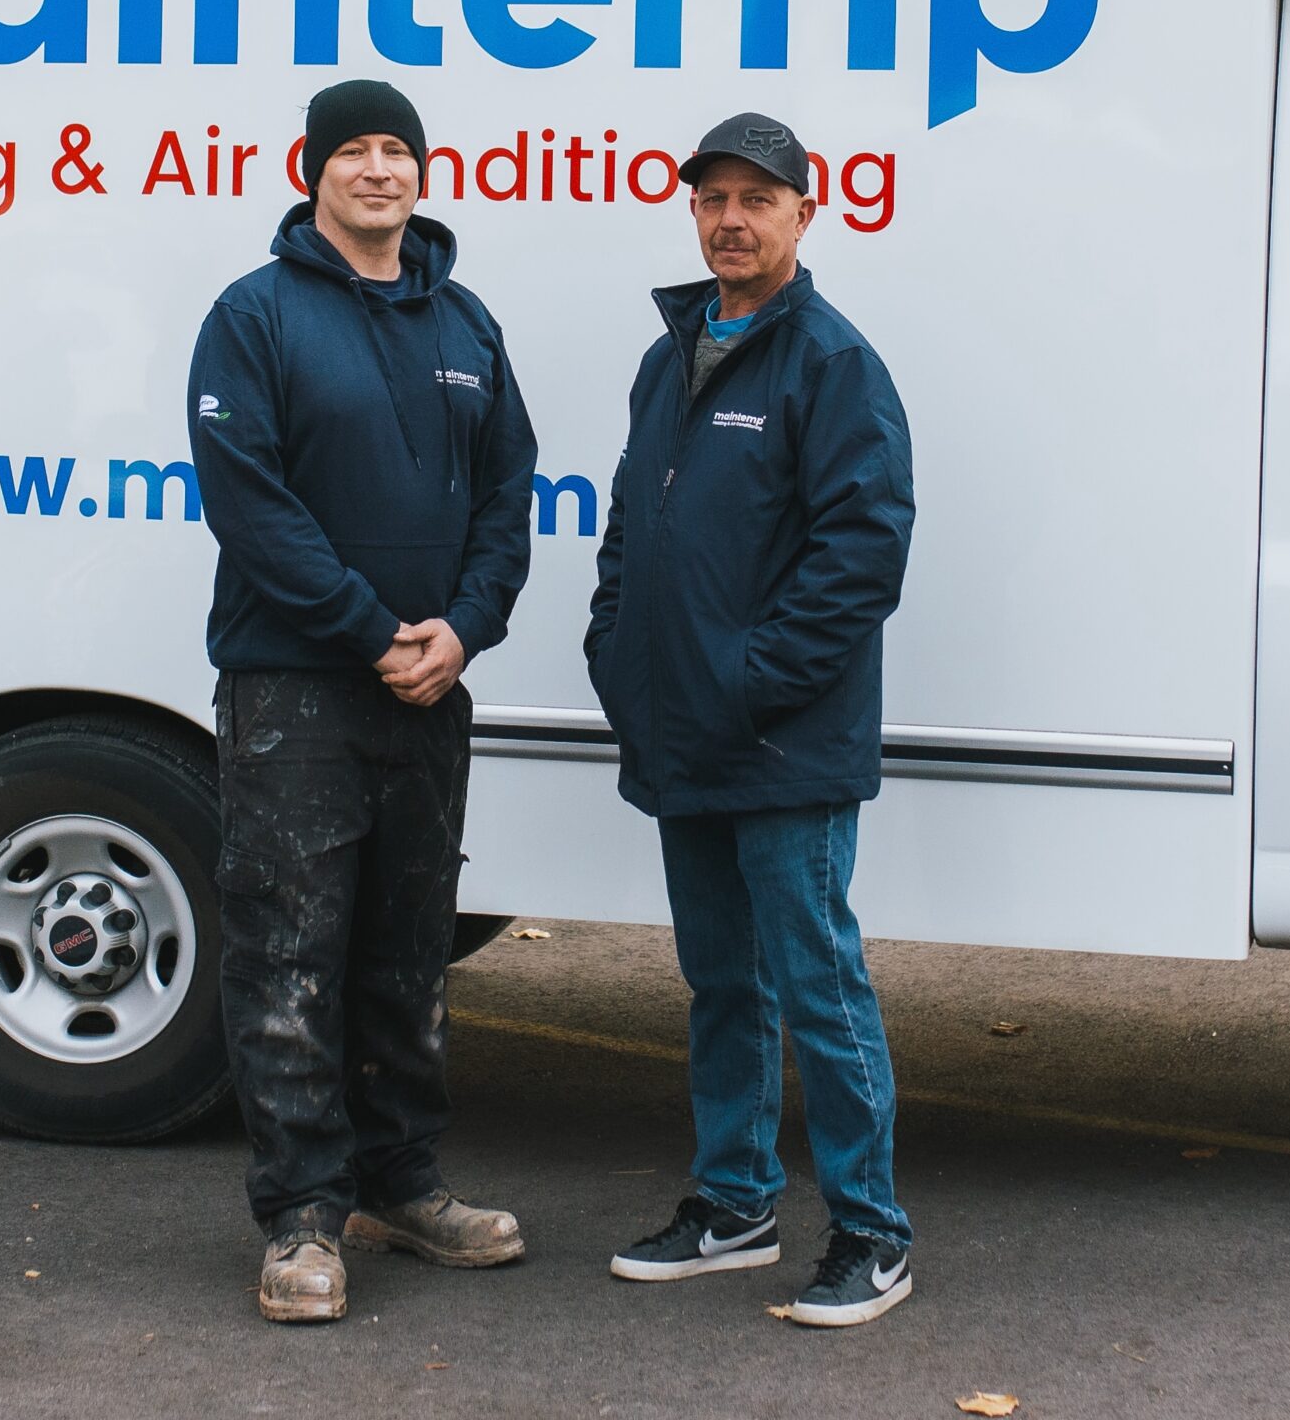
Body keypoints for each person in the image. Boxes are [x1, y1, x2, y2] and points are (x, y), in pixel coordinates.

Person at [188, 78, 538, 1324]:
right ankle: (299, 1222)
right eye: (356, 152)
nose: (380, 169)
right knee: (287, 955)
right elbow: (249, 500)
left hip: (429, 687)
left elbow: (511, 493)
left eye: (398, 150)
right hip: (295, 691)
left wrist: (466, 628)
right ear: (313, 171)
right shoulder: (256, 316)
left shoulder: (467, 323)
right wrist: (368, 628)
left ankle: (404, 1184)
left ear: (422, 174)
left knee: (406, 953)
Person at [586, 112, 917, 1328]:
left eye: (757, 200)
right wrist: (616, 645)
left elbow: (863, 552)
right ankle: (734, 1207)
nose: (731, 219)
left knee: (817, 985)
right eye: (713, 199)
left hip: (783, 744)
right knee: (721, 981)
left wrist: (745, 679)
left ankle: (873, 1236)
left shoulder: (831, 362)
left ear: (803, 214)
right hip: (683, 735)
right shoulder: (669, 354)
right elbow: (633, 524)